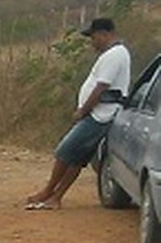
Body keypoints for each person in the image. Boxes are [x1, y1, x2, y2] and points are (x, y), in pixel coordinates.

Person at [25, 17, 131, 210]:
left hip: (101, 114)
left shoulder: (114, 55)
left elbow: (101, 87)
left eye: (93, 37)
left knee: (66, 150)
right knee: (77, 157)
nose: (92, 42)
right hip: (99, 112)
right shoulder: (114, 54)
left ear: (104, 34)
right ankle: (55, 195)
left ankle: (50, 192)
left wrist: (84, 110)